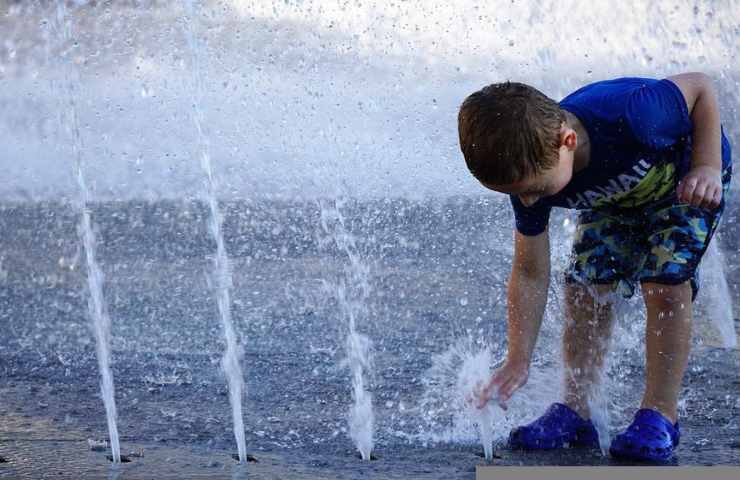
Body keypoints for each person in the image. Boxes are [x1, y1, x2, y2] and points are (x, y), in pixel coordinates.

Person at [457, 73, 732, 461]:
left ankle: (659, 415)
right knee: (584, 286)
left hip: (684, 182)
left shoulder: (637, 116)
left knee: (665, 285)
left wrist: (705, 165)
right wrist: (518, 357)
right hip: (615, 199)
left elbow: (701, 88)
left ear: (567, 141)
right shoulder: (529, 172)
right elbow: (529, 271)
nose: (528, 200)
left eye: (534, 189)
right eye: (517, 193)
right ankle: (576, 410)